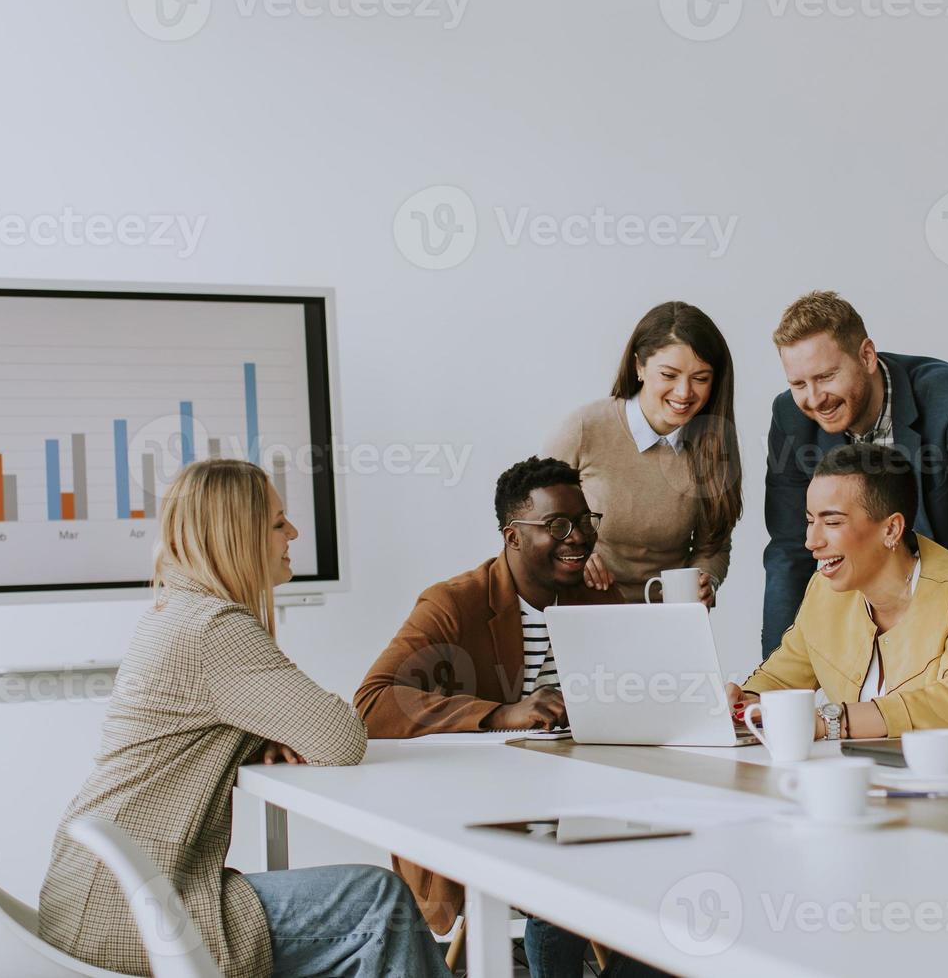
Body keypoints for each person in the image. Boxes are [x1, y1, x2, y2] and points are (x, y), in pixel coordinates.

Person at [38, 459, 450, 978]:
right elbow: (342, 737)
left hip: (96, 893)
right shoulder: (214, 629)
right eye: (279, 523)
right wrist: (272, 730)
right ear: (238, 535)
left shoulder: (175, 611)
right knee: (378, 900)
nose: (293, 533)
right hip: (132, 910)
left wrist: (258, 737)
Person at [354, 457, 665, 978]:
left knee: (663, 856)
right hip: (483, 809)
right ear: (513, 536)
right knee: (567, 863)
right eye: (558, 526)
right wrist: (501, 714)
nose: (578, 537)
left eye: (586, 522)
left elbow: (632, 698)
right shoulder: (454, 603)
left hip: (582, 801)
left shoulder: (596, 596)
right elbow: (374, 700)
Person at [762, 290, 948, 690]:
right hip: (877, 605)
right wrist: (776, 685)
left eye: (826, 377)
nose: (814, 399)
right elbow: (788, 550)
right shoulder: (790, 419)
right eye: (798, 383)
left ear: (866, 356)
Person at [731, 443, 948, 740]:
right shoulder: (825, 591)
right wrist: (744, 701)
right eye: (810, 521)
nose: (812, 541)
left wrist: (830, 722)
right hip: (870, 779)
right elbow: (781, 677)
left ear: (891, 530)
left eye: (832, 522)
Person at [545, 301, 743, 606]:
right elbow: (533, 519)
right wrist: (572, 553)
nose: (684, 393)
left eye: (700, 378)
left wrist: (707, 581)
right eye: (669, 375)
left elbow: (712, 546)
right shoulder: (585, 429)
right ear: (639, 366)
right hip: (582, 607)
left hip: (666, 619)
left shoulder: (713, 443)